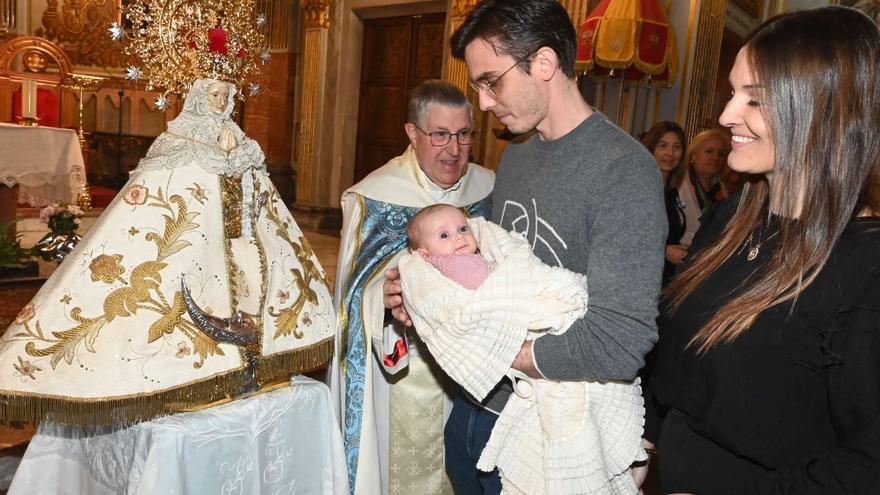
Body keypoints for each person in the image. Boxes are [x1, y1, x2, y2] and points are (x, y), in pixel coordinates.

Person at [384, 1, 665, 492]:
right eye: (479, 86)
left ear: (543, 63)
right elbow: (489, 265)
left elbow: (620, 341)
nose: (485, 103)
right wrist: (430, 301)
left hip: (546, 437)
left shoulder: (624, 170)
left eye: (491, 81)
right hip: (472, 409)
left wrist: (483, 345)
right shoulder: (516, 155)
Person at [0, 78, 337, 425]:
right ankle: (185, 372)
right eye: (214, 95)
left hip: (238, 243)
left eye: (225, 96)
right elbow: (159, 191)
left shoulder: (241, 142)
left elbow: (257, 193)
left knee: (253, 288)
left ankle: (248, 358)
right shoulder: (179, 140)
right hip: (190, 242)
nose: (220, 102)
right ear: (198, 98)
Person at [644, 6, 880, 493]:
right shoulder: (727, 221)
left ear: (823, 110)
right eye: (733, 93)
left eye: (755, 100)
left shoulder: (865, 267)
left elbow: (866, 464)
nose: (727, 114)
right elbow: (674, 369)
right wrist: (642, 441)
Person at [399, 204, 645, 494]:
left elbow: (515, 269)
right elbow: (487, 296)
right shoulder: (452, 266)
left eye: (463, 228)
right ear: (424, 255)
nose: (459, 237)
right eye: (444, 235)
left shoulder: (468, 254)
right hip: (485, 397)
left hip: (504, 398)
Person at [330, 80, 494, 494]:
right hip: (406, 371)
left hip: (480, 369)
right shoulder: (373, 197)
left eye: (463, 134)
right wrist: (381, 302)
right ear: (412, 133)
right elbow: (349, 297)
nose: (453, 150)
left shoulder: (490, 188)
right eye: (440, 134)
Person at [642, 121, 688, 283]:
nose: (670, 153)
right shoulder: (639, 188)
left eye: (677, 147)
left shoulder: (671, 191)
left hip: (666, 278)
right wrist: (664, 252)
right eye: (663, 146)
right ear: (650, 149)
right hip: (642, 278)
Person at [677, 128, 730, 246]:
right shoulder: (679, 183)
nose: (715, 157)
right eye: (709, 151)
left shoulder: (722, 187)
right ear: (693, 155)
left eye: (721, 154)